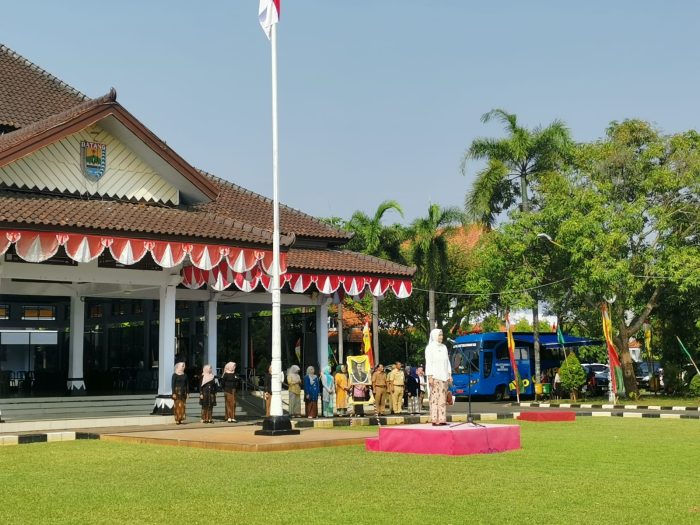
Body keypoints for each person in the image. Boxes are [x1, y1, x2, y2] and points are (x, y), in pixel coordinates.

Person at [425, 328, 452, 426]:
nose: (441, 337)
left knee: (443, 399)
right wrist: (430, 377)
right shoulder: (430, 348)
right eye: (439, 335)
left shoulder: (444, 347)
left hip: (444, 377)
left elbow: (447, 361)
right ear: (434, 336)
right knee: (435, 398)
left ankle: (442, 419)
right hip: (435, 377)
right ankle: (434, 419)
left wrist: (449, 374)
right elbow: (429, 363)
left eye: (442, 335)